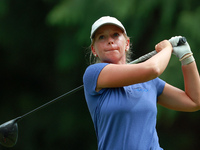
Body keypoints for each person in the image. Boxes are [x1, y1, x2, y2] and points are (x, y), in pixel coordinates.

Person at [83, 16, 200, 150]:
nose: (110, 41)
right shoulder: (93, 74)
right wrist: (167, 48)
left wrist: (187, 57)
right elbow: (153, 69)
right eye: (101, 37)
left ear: (127, 43)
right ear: (93, 49)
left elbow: (194, 101)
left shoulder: (150, 82)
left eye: (115, 35)